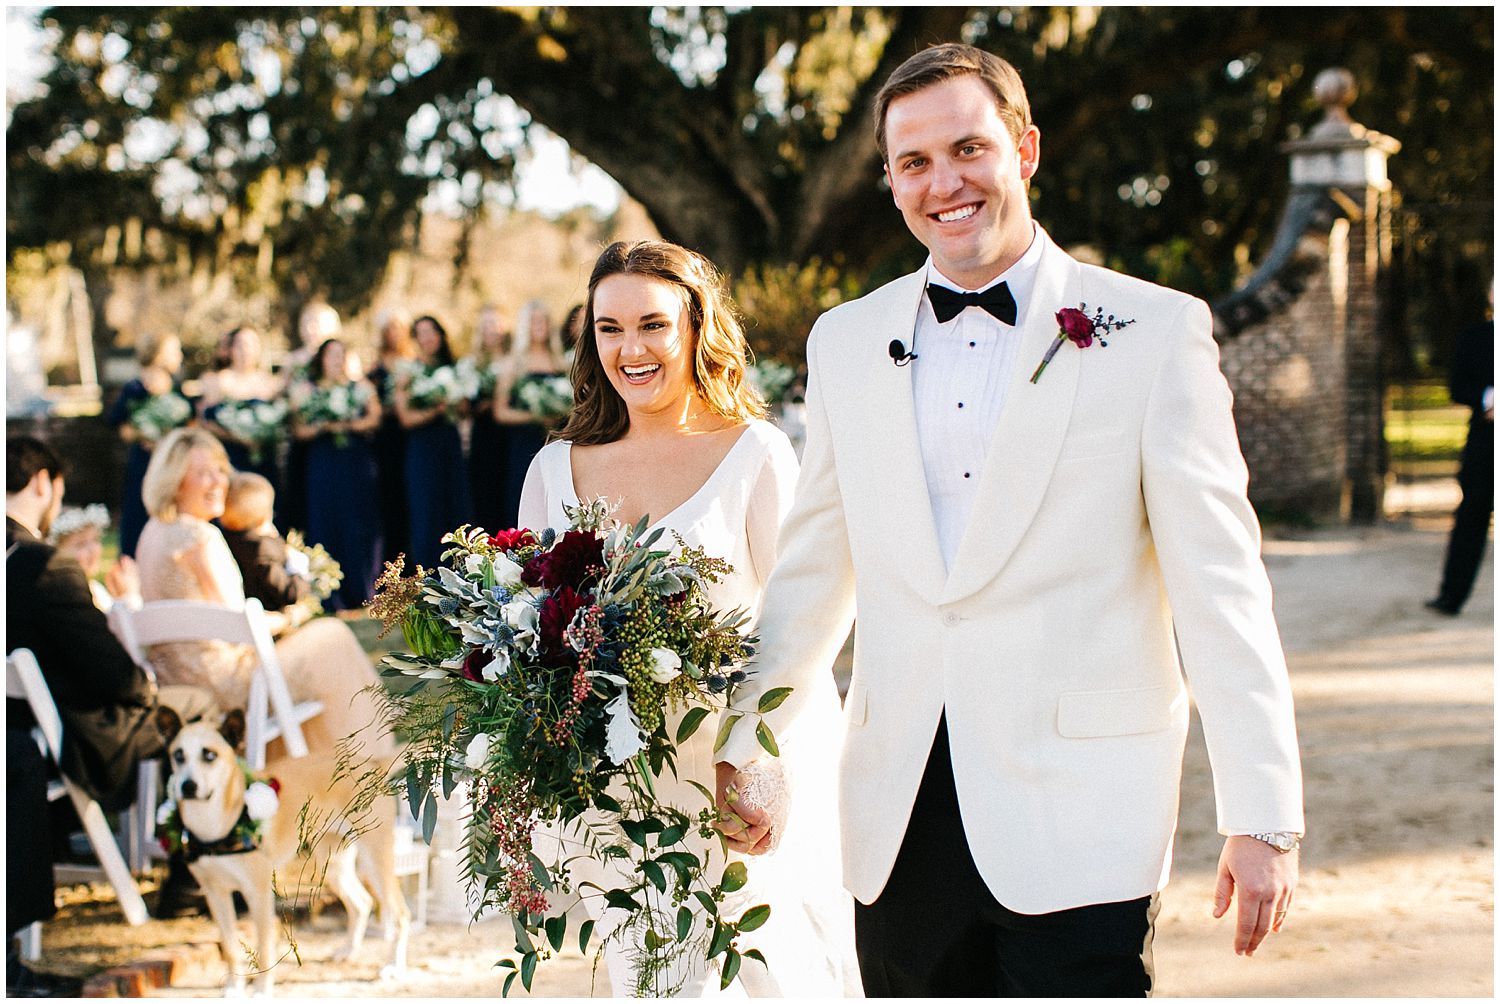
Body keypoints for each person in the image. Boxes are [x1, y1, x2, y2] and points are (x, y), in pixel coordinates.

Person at [713, 44, 1304, 998]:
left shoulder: (1154, 332)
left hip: (1083, 807)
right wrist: (749, 739)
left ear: (1024, 150)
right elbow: (813, 574)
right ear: (890, 179)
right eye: (914, 163)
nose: (943, 183)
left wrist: (1264, 810)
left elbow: (1221, 589)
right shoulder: (847, 341)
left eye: (968, 149)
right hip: (899, 809)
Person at [519, 240, 859, 997]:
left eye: (652, 325)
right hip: (613, 787)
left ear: (695, 328)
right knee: (646, 977)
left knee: (759, 973)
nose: (630, 349)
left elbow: (799, 626)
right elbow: (531, 630)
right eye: (609, 329)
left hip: (731, 774)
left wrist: (756, 760)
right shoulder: (553, 468)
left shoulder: (756, 453)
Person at [6, 436, 218, 931]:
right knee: (199, 705)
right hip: (78, 732)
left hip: (20, 726)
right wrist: (146, 687)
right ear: (42, 483)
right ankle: (189, 878)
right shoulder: (44, 564)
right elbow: (112, 674)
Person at [133, 428, 389, 761]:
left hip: (174, 679)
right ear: (174, 481)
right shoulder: (200, 538)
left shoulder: (152, 532)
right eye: (201, 474)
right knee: (332, 638)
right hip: (227, 684)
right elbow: (240, 627)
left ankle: (328, 763)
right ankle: (372, 759)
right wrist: (289, 617)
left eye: (219, 471)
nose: (217, 483)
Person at [290, 337, 384, 611]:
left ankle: (362, 588)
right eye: (331, 355)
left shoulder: (360, 387)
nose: (337, 360)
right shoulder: (308, 391)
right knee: (326, 519)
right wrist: (324, 426)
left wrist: (348, 424)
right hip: (324, 460)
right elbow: (299, 429)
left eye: (341, 355)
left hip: (356, 459)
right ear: (321, 359)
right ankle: (329, 591)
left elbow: (374, 418)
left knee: (359, 522)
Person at [1427, 315, 1494, 616]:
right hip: (1485, 444)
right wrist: (1486, 399)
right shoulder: (1474, 336)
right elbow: (1457, 386)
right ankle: (1451, 595)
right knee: (1471, 518)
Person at [393, 315, 471, 569]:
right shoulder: (408, 371)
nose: (427, 338)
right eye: (421, 333)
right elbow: (404, 417)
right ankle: (427, 574)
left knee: (455, 507)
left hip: (449, 446)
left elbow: (464, 409)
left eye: (432, 332)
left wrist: (453, 397)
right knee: (426, 511)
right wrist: (435, 410)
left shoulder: (455, 368)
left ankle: (460, 573)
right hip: (421, 448)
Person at [106, 332, 188, 557]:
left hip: (174, 460)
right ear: (160, 354)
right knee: (141, 510)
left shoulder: (175, 384)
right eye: (175, 350)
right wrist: (148, 437)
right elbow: (120, 425)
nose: (179, 355)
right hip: (145, 461)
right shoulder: (136, 388)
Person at [198, 325, 286, 517]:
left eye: (252, 344)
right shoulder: (217, 381)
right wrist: (239, 437)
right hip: (231, 456)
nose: (246, 350)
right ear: (231, 349)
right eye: (241, 345)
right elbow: (205, 423)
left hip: (263, 458)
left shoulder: (271, 383)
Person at [495, 299, 567, 525]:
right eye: (534, 321)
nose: (539, 325)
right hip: (524, 444)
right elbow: (500, 412)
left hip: (557, 439)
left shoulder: (561, 362)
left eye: (543, 320)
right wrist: (536, 416)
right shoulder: (514, 364)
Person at [219, 472, 312, 624]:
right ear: (264, 517)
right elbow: (289, 593)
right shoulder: (262, 549)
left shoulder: (223, 539)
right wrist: (298, 567)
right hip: (269, 623)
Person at [368, 308, 414, 566]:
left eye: (399, 328)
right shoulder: (375, 365)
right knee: (388, 495)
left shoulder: (413, 361)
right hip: (384, 437)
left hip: (409, 435)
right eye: (390, 329)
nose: (394, 334)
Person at [464, 305, 512, 534]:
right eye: (486, 325)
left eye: (494, 323)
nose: (491, 330)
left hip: (509, 436)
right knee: (484, 495)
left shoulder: (514, 359)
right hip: (483, 436)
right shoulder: (471, 364)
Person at [48, 503, 139, 612]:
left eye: (95, 539)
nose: (93, 550)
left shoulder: (96, 589)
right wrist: (129, 598)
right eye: (80, 544)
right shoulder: (69, 594)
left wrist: (120, 596)